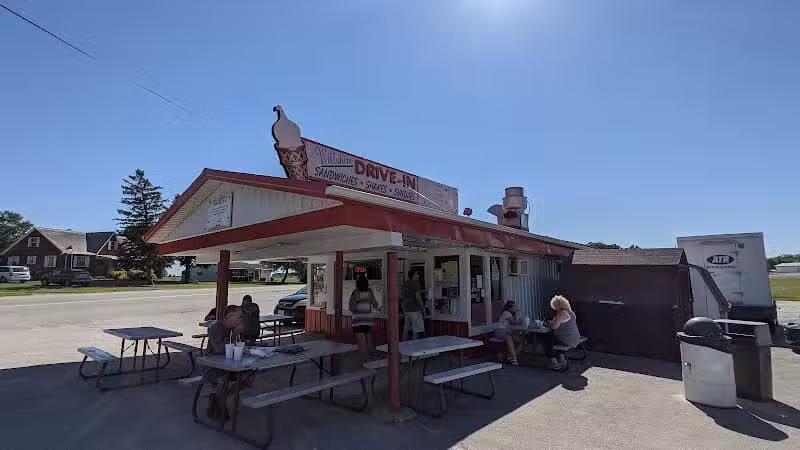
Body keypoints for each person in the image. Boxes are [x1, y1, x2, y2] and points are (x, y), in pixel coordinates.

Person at [204, 305, 253, 421]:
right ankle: (220, 403)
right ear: (229, 316)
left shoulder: (234, 328)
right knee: (223, 379)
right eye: (239, 317)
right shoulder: (215, 328)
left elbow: (241, 346)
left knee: (249, 375)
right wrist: (235, 334)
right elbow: (219, 350)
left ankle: (221, 397)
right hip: (214, 367)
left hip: (232, 364)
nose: (241, 320)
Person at [539, 295, 581, 371]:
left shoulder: (561, 313)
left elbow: (554, 327)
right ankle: (562, 360)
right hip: (575, 337)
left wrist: (549, 323)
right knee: (555, 340)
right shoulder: (571, 312)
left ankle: (555, 362)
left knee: (546, 339)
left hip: (567, 338)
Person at [349, 275, 380, 362]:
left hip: (358, 320)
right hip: (368, 320)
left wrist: (357, 301)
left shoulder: (355, 292)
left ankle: (365, 361)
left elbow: (351, 308)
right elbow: (376, 305)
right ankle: (372, 360)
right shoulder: (369, 292)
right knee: (370, 343)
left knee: (361, 344)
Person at [495, 301, 523, 366]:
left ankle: (510, 357)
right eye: (514, 307)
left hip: (508, 331)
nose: (515, 308)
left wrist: (517, 316)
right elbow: (514, 322)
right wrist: (517, 314)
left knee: (520, 341)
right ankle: (514, 358)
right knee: (508, 337)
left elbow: (518, 322)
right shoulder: (506, 313)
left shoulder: (511, 314)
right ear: (510, 308)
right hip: (501, 331)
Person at [402, 270, 425, 340]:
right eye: (417, 274)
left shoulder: (405, 283)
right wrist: (422, 306)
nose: (418, 276)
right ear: (413, 275)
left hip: (406, 309)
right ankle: (415, 344)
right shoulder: (416, 283)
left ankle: (403, 343)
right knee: (416, 329)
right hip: (415, 309)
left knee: (406, 328)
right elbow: (417, 296)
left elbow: (402, 295)